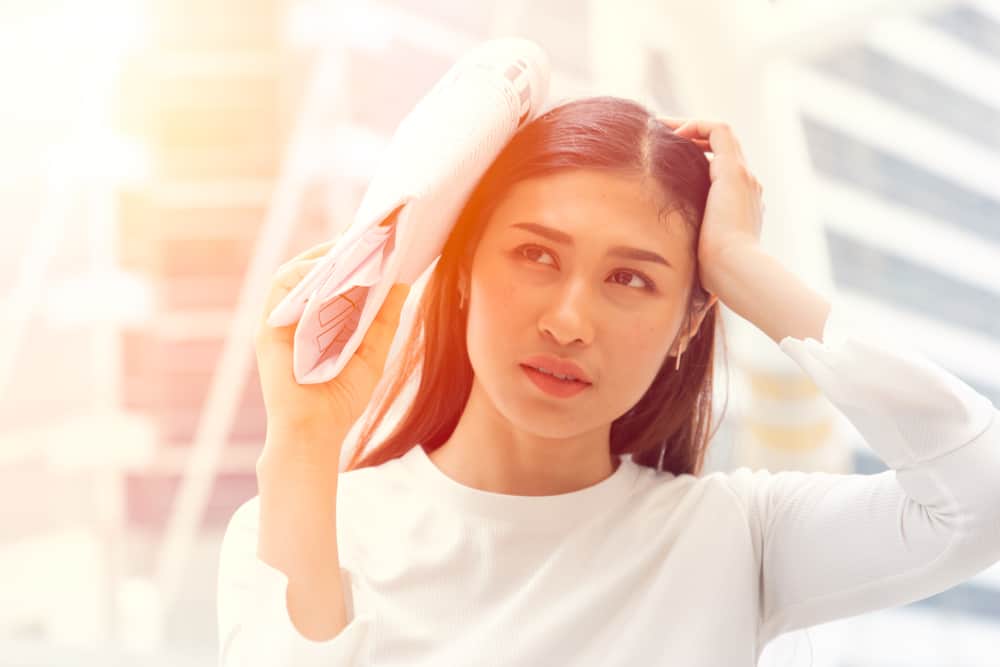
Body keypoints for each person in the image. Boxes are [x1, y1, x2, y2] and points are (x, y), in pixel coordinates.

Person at [217, 96, 1000, 666]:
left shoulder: (733, 537)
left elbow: (979, 494)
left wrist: (738, 267)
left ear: (689, 322)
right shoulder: (305, 523)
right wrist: (304, 441)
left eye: (631, 279)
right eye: (535, 255)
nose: (569, 320)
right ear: (460, 274)